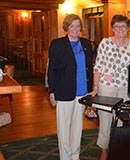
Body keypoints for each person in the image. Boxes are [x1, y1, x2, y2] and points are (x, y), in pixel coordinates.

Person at [88, 14, 130, 160]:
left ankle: (118, 149)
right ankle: (104, 150)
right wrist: (95, 86)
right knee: (105, 120)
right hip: (106, 87)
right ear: (112, 28)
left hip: (124, 88)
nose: (120, 29)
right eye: (117, 26)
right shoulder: (105, 42)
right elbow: (98, 66)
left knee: (121, 120)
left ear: (128, 28)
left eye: (123, 26)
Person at [47, 14, 93, 160]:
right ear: (66, 27)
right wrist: (52, 92)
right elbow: (51, 70)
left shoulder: (86, 44)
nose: (75, 29)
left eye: (78, 26)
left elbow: (89, 68)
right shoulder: (57, 44)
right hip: (63, 91)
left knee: (77, 128)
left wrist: (91, 88)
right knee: (64, 128)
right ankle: (65, 157)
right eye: (72, 25)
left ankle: (75, 156)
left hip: (82, 92)